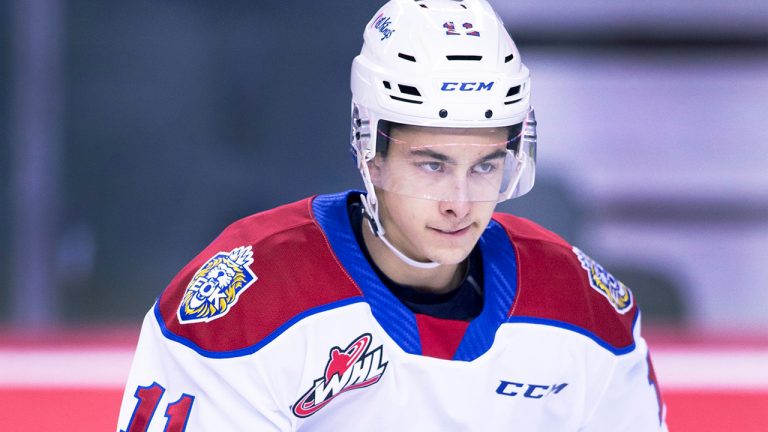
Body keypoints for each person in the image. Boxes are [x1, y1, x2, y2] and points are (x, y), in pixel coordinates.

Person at [117, 0, 667, 430]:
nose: (459, 201)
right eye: (431, 165)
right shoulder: (251, 303)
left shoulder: (584, 311)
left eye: (485, 167)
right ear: (371, 155)